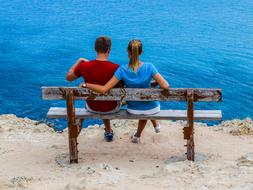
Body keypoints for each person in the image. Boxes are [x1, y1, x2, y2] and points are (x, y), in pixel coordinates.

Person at [83, 39, 169, 143]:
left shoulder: (122, 69)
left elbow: (104, 89)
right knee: (146, 106)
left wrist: (86, 84)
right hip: (153, 108)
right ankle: (149, 128)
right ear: (141, 52)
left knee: (143, 107)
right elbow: (165, 85)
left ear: (127, 51)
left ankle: (140, 134)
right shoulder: (149, 66)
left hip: (133, 109)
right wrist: (152, 83)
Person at [66, 36, 120, 142]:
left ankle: (107, 131)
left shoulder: (84, 66)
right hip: (112, 107)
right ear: (109, 50)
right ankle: (108, 132)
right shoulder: (116, 68)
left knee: (97, 99)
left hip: (92, 106)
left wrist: (79, 61)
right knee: (105, 99)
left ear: (95, 49)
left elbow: (68, 78)